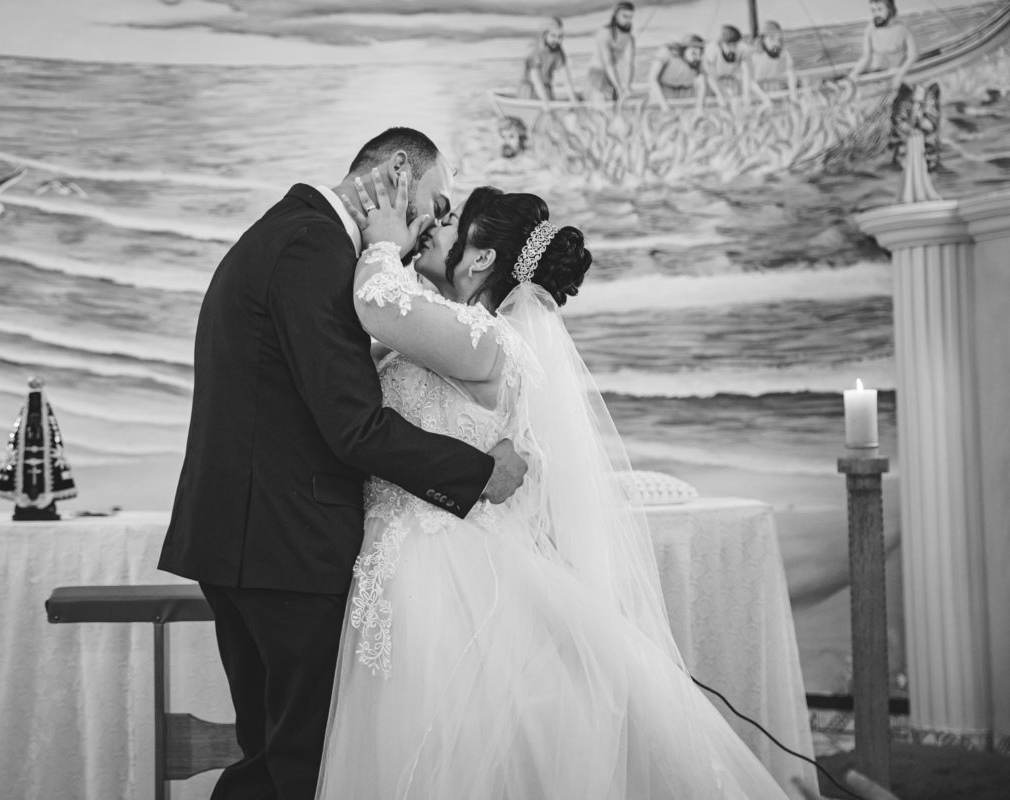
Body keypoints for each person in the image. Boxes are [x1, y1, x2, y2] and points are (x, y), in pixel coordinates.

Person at [315, 178, 795, 798]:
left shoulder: (488, 340)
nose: (433, 226)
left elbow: (379, 302)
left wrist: (381, 241)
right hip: (398, 562)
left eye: (452, 222)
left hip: (444, 572)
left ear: (482, 258)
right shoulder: (447, 329)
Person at [157, 127, 528, 800]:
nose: (433, 223)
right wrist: (479, 474)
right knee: (296, 768)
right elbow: (353, 427)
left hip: (253, 541)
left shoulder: (292, 233)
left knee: (271, 765)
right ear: (397, 170)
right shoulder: (312, 246)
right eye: (436, 202)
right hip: (284, 546)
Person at [847, 0, 919, 88]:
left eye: (880, 9)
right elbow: (866, 57)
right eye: (873, 10)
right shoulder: (870, 30)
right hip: (876, 74)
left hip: (895, 73)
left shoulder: (903, 29)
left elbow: (913, 55)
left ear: (890, 9)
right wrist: (854, 74)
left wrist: (900, 75)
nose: (876, 14)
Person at [517, 16, 579, 111]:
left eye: (560, 37)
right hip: (530, 90)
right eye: (553, 36)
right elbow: (537, 81)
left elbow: (566, 78)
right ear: (545, 35)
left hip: (546, 88)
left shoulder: (558, 51)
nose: (557, 40)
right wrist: (545, 101)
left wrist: (573, 99)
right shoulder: (535, 51)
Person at [587, 2, 637, 103]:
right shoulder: (605, 33)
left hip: (611, 77)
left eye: (630, 17)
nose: (628, 20)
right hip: (597, 75)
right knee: (608, 101)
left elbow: (629, 64)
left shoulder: (629, 38)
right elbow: (609, 64)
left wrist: (627, 86)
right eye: (625, 16)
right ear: (616, 15)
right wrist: (619, 88)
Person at [650, 34, 709, 112]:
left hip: (687, 93)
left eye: (699, 53)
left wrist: (700, 107)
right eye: (693, 53)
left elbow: (702, 83)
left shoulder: (698, 60)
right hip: (664, 92)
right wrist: (663, 104)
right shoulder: (666, 53)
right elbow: (653, 79)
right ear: (684, 49)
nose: (697, 57)